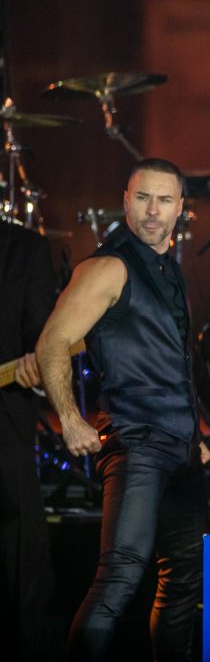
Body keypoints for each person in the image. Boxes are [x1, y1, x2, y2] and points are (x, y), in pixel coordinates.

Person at [36, 158, 207, 661]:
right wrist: (70, 417)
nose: (153, 211)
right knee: (120, 576)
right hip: (137, 442)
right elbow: (53, 342)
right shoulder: (109, 266)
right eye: (142, 198)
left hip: (179, 447)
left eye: (164, 200)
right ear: (125, 200)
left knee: (183, 582)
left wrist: (197, 436)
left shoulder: (169, 269)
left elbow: (168, 359)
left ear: (181, 208)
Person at [0, 220, 61, 660]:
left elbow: (45, 342)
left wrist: (34, 365)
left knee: (18, 554)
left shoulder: (25, 250)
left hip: (4, 425)